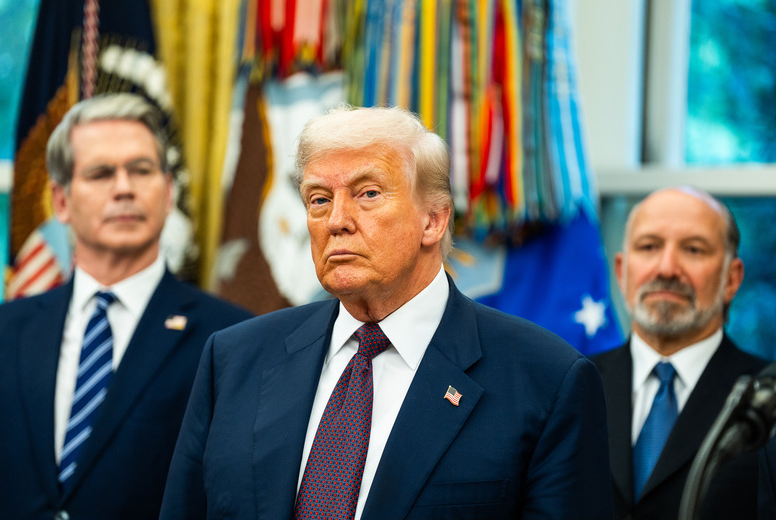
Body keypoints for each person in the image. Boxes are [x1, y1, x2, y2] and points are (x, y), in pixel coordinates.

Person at [160, 105, 613, 520]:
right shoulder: (235, 359)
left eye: (368, 193)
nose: (337, 220)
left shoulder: (546, 381)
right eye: (319, 199)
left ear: (433, 220)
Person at [0, 93, 253, 520]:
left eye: (141, 170)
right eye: (100, 174)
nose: (124, 188)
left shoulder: (233, 340)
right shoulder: (4, 332)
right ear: (60, 201)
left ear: (168, 193)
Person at [592, 187, 766, 520]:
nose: (667, 268)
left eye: (693, 249)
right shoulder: (569, 387)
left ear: (732, 279)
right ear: (621, 271)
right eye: (649, 247)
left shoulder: (767, 399)